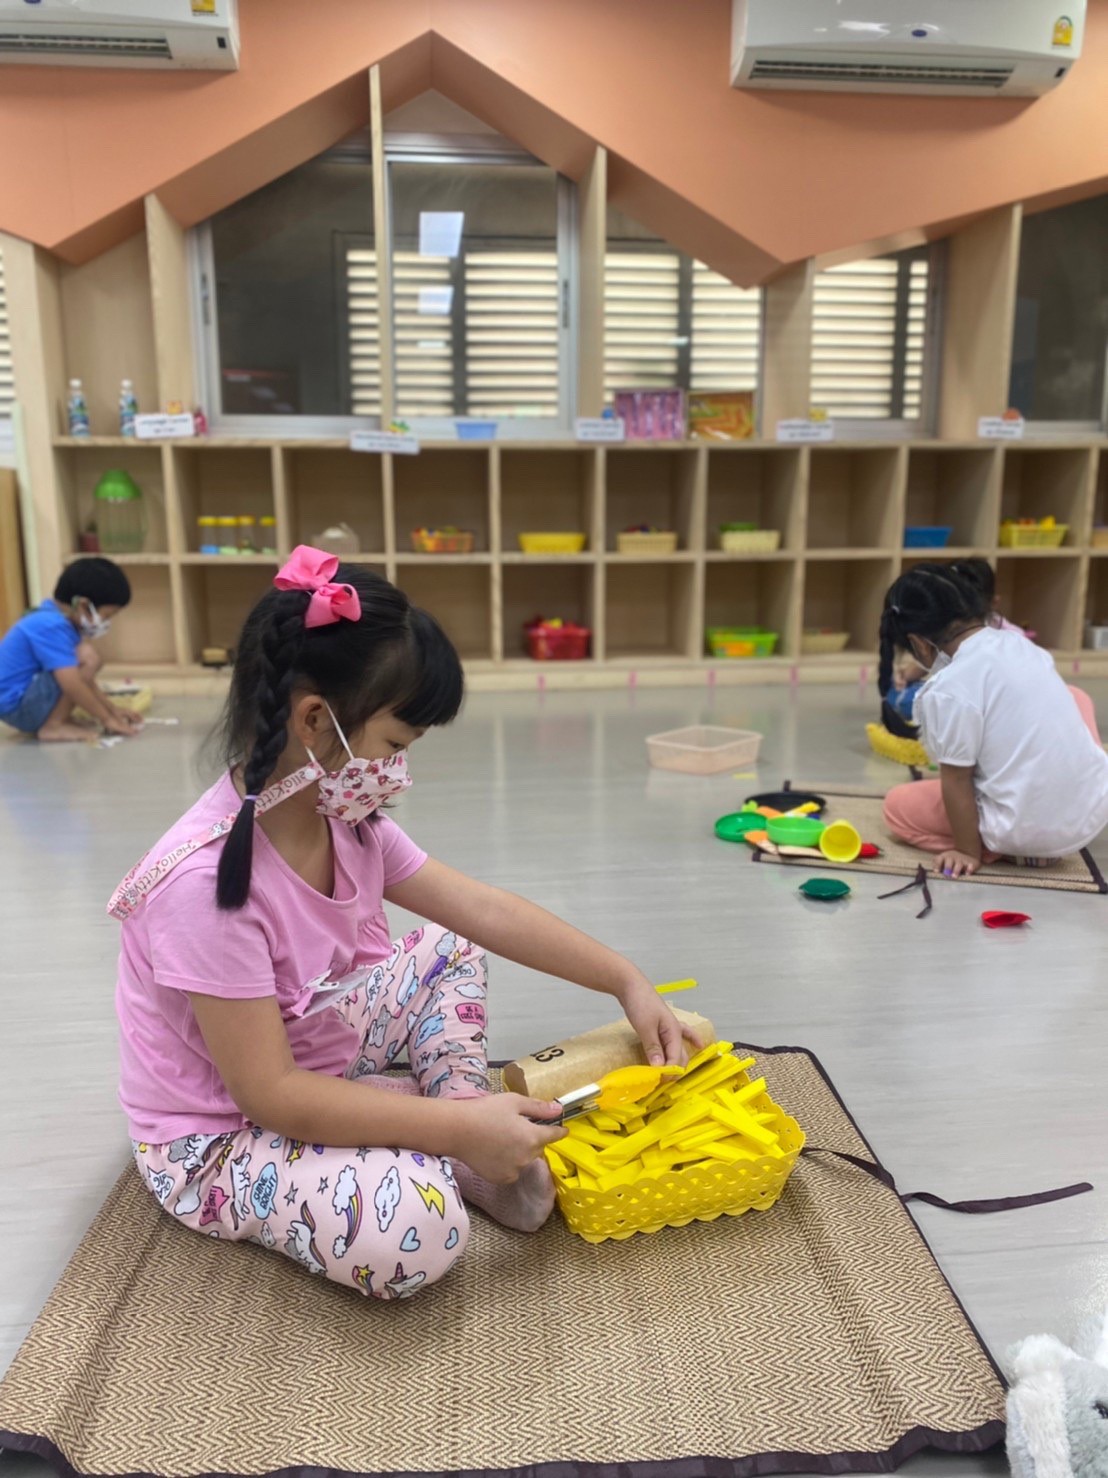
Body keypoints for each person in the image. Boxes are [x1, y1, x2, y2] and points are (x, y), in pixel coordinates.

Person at [111, 547, 699, 1301]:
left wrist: (625, 979)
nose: (398, 770)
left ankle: (459, 1127)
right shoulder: (204, 887)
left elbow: (484, 911)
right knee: (417, 1228)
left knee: (451, 950)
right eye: (393, 746)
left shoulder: (341, 819)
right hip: (220, 1135)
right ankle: (454, 1139)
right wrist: (451, 1133)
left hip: (312, 1043)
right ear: (315, 720)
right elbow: (269, 1095)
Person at [880, 565, 1108, 876]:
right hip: (1090, 812)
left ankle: (1007, 847)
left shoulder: (949, 689)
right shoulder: (1019, 644)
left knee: (897, 806)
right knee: (1075, 696)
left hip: (1025, 829)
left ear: (919, 643)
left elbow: (957, 780)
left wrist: (966, 850)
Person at [0, 557, 141, 741]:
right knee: (88, 657)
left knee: (84, 658)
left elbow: (85, 680)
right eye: (106, 616)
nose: (106, 623)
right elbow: (71, 682)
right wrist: (106, 719)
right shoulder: (51, 625)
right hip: (17, 708)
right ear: (83, 605)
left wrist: (111, 710)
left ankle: (57, 719)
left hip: (21, 702)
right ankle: (54, 725)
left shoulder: (54, 619)